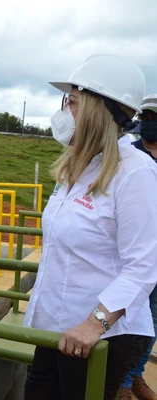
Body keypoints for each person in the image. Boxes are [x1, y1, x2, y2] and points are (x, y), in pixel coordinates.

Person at [23, 54, 157, 400]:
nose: (64, 111)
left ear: (98, 110)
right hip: (57, 327)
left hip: (99, 335)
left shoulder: (134, 171)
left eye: (72, 102)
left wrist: (93, 323)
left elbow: (143, 267)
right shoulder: (77, 166)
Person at [118, 94, 157, 400]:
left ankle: (136, 374)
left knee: (152, 319)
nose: (148, 123)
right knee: (129, 315)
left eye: (153, 118)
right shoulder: (127, 157)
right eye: (144, 118)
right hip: (132, 254)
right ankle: (123, 381)